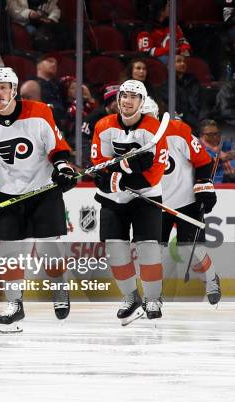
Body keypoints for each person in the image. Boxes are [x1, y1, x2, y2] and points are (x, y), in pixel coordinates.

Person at [0, 67, 76, 333]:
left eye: (4, 88)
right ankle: (15, 305)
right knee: (11, 252)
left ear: (14, 90)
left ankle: (59, 289)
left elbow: (57, 148)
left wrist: (63, 168)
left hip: (44, 189)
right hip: (10, 192)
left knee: (49, 247)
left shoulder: (39, 111)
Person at [91, 79, 168, 325]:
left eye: (133, 96)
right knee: (115, 251)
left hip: (147, 197)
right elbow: (100, 167)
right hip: (112, 200)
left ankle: (153, 298)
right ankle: (131, 297)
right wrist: (125, 167)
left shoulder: (152, 128)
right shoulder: (103, 126)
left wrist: (123, 176)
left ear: (142, 102)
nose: (127, 100)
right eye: (124, 95)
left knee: (148, 248)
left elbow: (155, 171)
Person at [140, 97, 221, 305]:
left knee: (191, 248)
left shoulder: (177, 130)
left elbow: (203, 160)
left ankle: (212, 279)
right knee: (154, 251)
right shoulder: (131, 138)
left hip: (187, 200)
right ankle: (153, 296)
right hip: (156, 203)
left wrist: (204, 187)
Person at [80, 84, 119, 168]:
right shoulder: (94, 117)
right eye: (116, 100)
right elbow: (82, 141)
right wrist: (90, 163)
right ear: (109, 102)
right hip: (95, 160)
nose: (120, 104)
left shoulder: (124, 117)